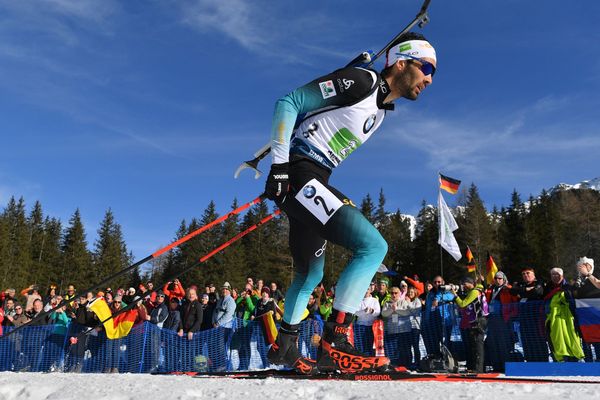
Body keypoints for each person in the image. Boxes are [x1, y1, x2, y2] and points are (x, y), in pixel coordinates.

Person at [265, 31, 437, 374]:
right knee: (373, 247)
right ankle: (336, 340)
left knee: (309, 273)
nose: (430, 79)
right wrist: (280, 167)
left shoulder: (383, 108)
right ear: (401, 62)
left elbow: (330, 113)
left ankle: (285, 344)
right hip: (299, 173)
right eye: (426, 67)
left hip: (316, 178)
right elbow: (289, 102)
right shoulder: (364, 81)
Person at [544, 267, 584, 362]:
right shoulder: (547, 288)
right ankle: (561, 360)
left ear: (562, 275)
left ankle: (576, 359)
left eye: (557, 274)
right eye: (553, 274)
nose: (555, 276)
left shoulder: (569, 286)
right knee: (557, 340)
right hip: (553, 318)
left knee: (572, 338)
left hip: (569, 318)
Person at [510, 267, 548, 362]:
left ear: (533, 274)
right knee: (526, 339)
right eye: (523, 274)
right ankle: (530, 360)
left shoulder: (539, 282)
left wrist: (522, 292)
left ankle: (542, 360)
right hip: (524, 317)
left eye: (528, 273)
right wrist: (527, 289)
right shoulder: (520, 284)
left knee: (537, 338)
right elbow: (513, 291)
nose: (526, 275)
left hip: (536, 317)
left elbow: (537, 292)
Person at [451, 277, 488, 373]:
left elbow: (463, 304)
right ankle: (476, 367)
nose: (463, 286)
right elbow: (483, 286)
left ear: (469, 283)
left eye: (464, 284)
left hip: (478, 320)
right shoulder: (480, 289)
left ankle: (478, 369)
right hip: (480, 320)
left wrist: (455, 295)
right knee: (475, 345)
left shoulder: (474, 292)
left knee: (477, 345)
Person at [484, 271, 518, 372]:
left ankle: (505, 366)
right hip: (492, 319)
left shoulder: (508, 289)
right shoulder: (491, 289)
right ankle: (496, 366)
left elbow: (515, 302)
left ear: (504, 279)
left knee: (504, 343)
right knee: (493, 343)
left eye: (500, 278)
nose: (498, 280)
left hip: (504, 319)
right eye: (496, 278)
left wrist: (512, 315)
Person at [421, 276, 455, 358]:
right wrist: (427, 319)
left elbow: (451, 297)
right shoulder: (430, 293)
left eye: (439, 282)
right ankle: (436, 358)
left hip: (445, 319)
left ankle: (448, 358)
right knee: (434, 340)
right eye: (435, 282)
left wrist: (438, 298)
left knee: (445, 341)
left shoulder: (446, 290)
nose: (437, 284)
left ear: (443, 282)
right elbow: (428, 307)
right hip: (432, 319)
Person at [211, 282, 236, 371]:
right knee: (216, 346)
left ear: (229, 290)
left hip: (225, 327)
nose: (224, 291)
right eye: (223, 289)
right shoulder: (220, 300)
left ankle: (223, 365)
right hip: (217, 327)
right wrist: (213, 321)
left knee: (221, 346)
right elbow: (216, 311)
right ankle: (217, 365)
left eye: (226, 289)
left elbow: (228, 314)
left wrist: (218, 323)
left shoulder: (230, 301)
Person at [354, 286, 381, 357]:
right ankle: (361, 359)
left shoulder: (374, 300)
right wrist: (364, 311)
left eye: (367, 289)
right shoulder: (358, 300)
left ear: (370, 291)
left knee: (370, 344)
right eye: (364, 289)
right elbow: (355, 312)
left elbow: (378, 312)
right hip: (360, 324)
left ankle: (370, 359)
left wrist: (372, 311)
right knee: (360, 344)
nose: (366, 291)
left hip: (371, 325)